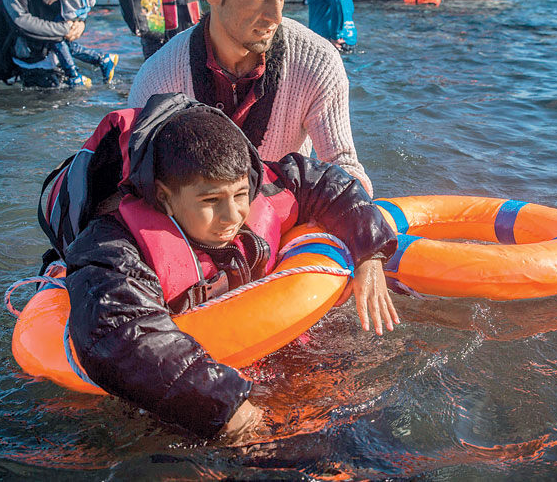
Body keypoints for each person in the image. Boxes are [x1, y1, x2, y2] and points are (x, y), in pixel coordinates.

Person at [53, 92, 399, 439]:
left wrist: (370, 252)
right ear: (164, 196)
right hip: (190, 400)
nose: (232, 217)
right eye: (210, 200)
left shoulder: (261, 189)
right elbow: (120, 336)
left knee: (377, 429)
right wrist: (228, 405)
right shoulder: (112, 247)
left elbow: (326, 182)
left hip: (264, 363)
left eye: (239, 195)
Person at [129, 0, 375, 194]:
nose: (276, 17)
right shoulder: (157, 78)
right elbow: (134, 180)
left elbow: (344, 166)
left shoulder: (319, 63)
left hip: (282, 222)